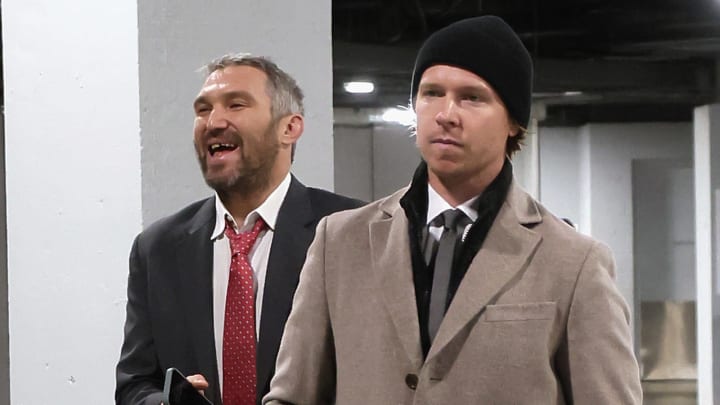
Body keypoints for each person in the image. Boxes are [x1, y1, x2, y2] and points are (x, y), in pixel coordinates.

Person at [264, 16, 642, 404]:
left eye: (471, 97)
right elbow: (292, 396)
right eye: (431, 93)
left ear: (514, 121)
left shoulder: (572, 262)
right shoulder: (340, 243)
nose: (446, 113)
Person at [115, 53, 363, 405]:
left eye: (235, 105)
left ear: (289, 128)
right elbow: (134, 384)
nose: (214, 122)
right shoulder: (158, 249)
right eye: (203, 110)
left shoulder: (351, 231)